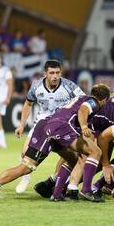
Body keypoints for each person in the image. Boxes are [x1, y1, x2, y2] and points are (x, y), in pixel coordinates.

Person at [0, 84, 111, 201]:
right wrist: (83, 127)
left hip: (47, 125)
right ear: (104, 100)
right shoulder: (93, 102)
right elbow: (83, 110)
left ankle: (58, 193)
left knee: (73, 158)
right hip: (58, 127)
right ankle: (86, 190)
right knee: (95, 151)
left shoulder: (82, 97)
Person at [14, 59, 85, 194]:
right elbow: (28, 103)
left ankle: (56, 182)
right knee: (25, 153)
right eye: (52, 73)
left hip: (63, 124)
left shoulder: (69, 85)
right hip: (42, 123)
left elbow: (84, 101)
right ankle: (25, 177)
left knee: (70, 155)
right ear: (45, 74)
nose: (55, 76)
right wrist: (21, 125)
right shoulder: (36, 86)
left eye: (58, 73)